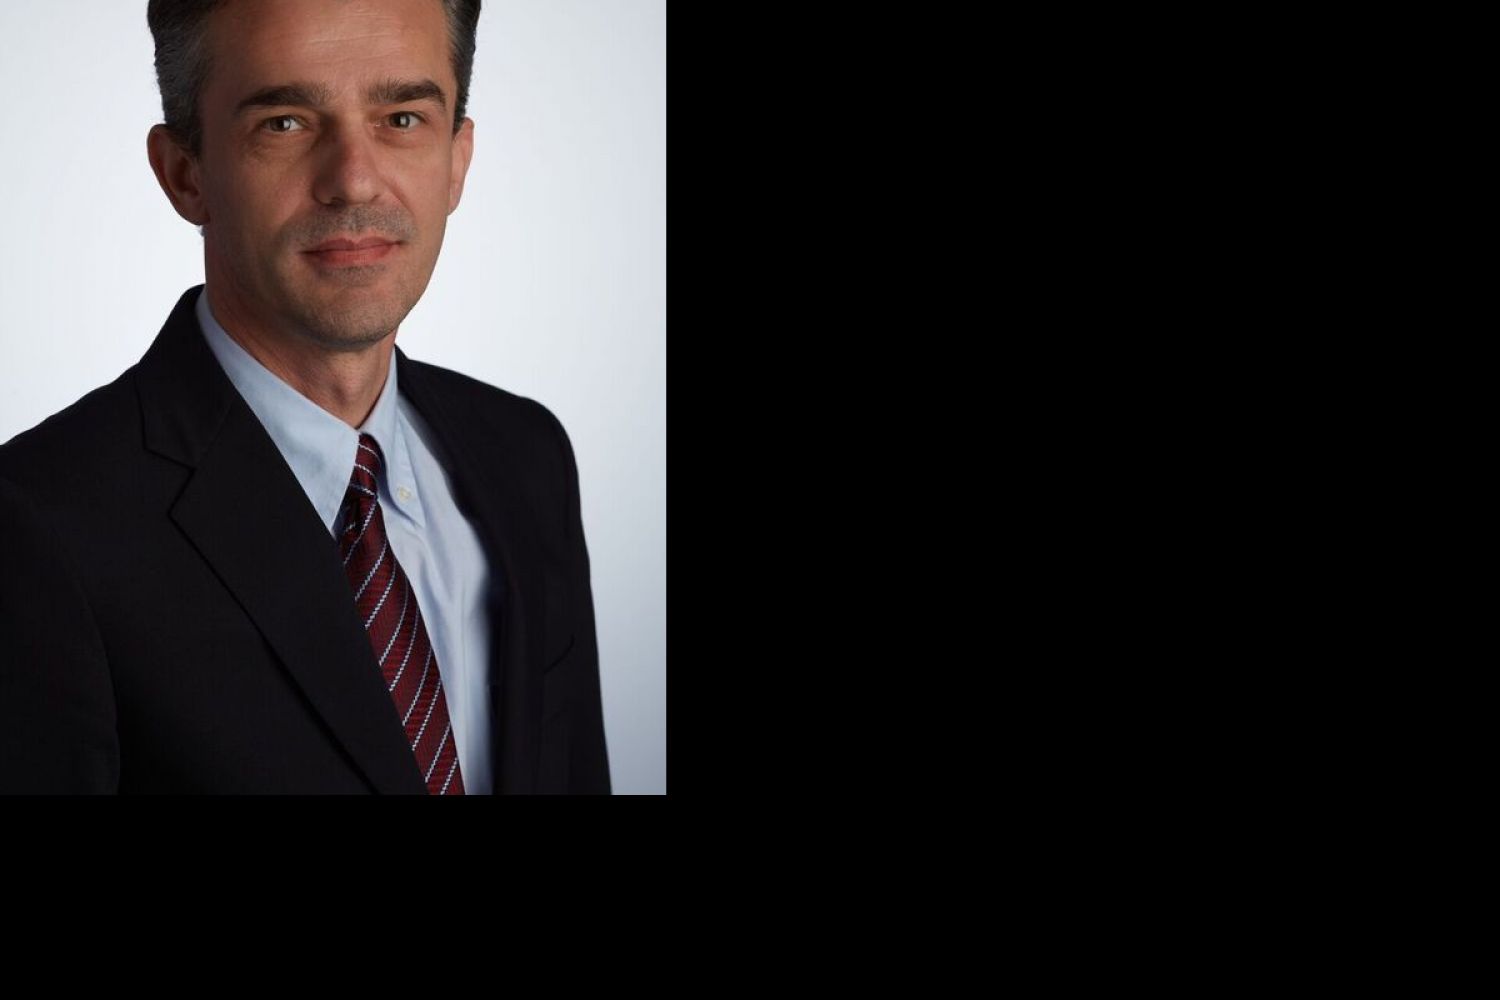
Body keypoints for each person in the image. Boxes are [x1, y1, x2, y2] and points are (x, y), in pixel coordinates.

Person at [0, 0, 611, 794]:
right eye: (284, 123)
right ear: (185, 174)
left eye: (402, 118)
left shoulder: (527, 456)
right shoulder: (39, 526)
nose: (354, 179)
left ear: (458, 159)